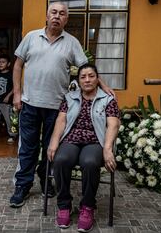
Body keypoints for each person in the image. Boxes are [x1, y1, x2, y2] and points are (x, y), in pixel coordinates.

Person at [10, 1, 114, 208]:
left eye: (62, 14)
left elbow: (85, 67)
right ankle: (22, 185)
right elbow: (18, 65)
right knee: (27, 149)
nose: (57, 16)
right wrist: (17, 94)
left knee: (51, 149)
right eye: (54, 12)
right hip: (30, 104)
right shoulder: (31, 37)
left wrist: (102, 83)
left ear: (66, 19)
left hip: (57, 107)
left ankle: (46, 180)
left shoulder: (72, 42)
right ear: (47, 16)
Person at [47, 64, 120, 231]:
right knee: (61, 159)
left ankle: (87, 207)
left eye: (91, 76)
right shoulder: (69, 97)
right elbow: (61, 120)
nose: (87, 80)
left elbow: (113, 124)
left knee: (89, 162)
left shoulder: (107, 99)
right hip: (71, 140)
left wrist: (107, 149)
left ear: (97, 78)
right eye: (83, 77)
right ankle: (64, 205)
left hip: (95, 141)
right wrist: (54, 142)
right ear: (78, 81)